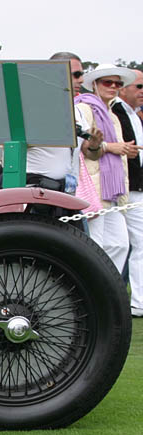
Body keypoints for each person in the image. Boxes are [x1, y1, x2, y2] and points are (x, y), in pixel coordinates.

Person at [76, 64, 139, 275]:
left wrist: (123, 150)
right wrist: (111, 147)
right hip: (94, 186)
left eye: (118, 83)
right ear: (95, 84)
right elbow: (82, 147)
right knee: (95, 244)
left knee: (120, 244)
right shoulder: (84, 107)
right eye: (107, 82)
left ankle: (106, 288)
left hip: (112, 188)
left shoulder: (111, 114)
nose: (113, 86)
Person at [26, 52, 89, 223]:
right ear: (55, 74)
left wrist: (96, 145)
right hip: (38, 196)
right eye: (75, 75)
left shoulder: (77, 111)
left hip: (67, 195)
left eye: (82, 74)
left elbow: (89, 153)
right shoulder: (33, 107)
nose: (81, 80)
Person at [114, 69, 143, 316]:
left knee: (131, 244)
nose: (142, 92)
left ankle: (137, 301)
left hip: (135, 187)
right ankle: (135, 302)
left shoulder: (134, 115)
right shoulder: (116, 111)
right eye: (139, 87)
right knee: (122, 243)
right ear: (125, 89)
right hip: (125, 188)